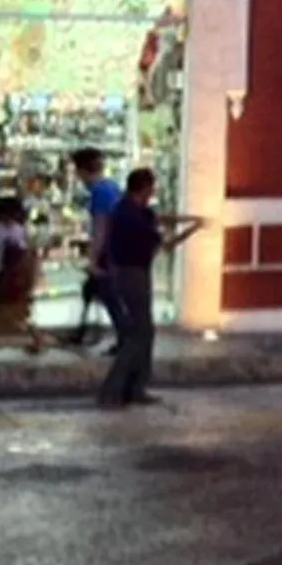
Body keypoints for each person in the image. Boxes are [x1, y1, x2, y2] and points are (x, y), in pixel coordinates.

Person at [98, 168, 203, 410]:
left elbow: (161, 218)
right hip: (132, 274)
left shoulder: (126, 209)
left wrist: (190, 218)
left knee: (144, 331)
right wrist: (194, 228)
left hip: (127, 273)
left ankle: (135, 387)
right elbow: (167, 244)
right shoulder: (135, 219)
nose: (152, 193)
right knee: (139, 333)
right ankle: (114, 390)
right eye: (151, 188)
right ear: (144, 189)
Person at [0, 196, 47, 361]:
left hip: (9, 276)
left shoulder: (12, 230)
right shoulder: (18, 229)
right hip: (13, 276)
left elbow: (9, 245)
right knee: (18, 312)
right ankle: (37, 340)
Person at [70, 147, 125, 348]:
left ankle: (124, 338)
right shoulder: (111, 187)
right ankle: (81, 331)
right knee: (91, 289)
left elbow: (101, 228)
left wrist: (93, 260)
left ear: (82, 171)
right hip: (118, 249)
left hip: (109, 252)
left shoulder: (99, 193)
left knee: (110, 295)